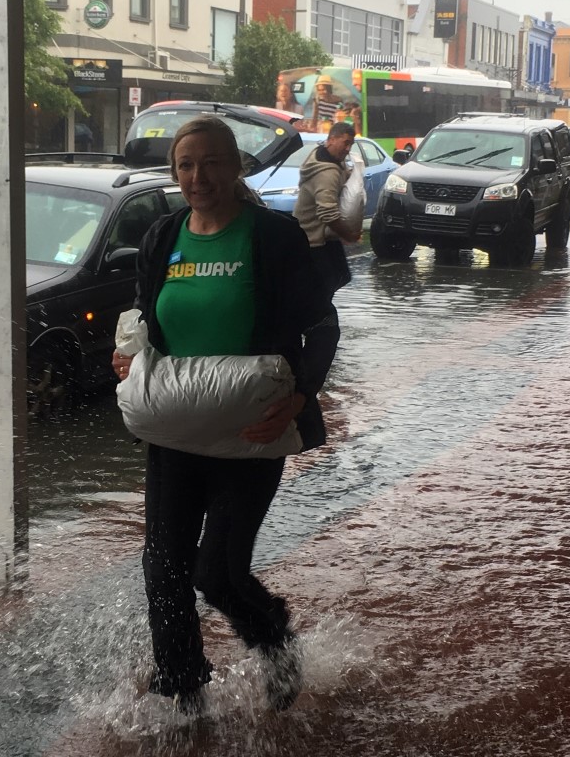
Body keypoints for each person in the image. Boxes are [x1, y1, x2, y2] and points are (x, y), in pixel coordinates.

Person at [111, 116, 333, 716]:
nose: (197, 176)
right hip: (177, 431)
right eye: (186, 165)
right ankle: (182, 687)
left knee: (217, 573)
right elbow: (143, 315)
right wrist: (129, 351)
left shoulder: (272, 236)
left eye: (211, 163)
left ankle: (277, 643)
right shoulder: (163, 236)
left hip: (250, 433)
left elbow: (321, 324)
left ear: (236, 167)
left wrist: (301, 394)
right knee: (163, 570)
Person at [292, 121, 360, 391]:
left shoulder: (319, 157)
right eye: (345, 142)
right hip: (314, 241)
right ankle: (315, 329)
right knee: (324, 287)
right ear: (331, 140)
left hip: (314, 239)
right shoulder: (327, 170)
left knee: (337, 278)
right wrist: (350, 234)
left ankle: (313, 321)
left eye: (351, 144)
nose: (347, 148)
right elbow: (328, 213)